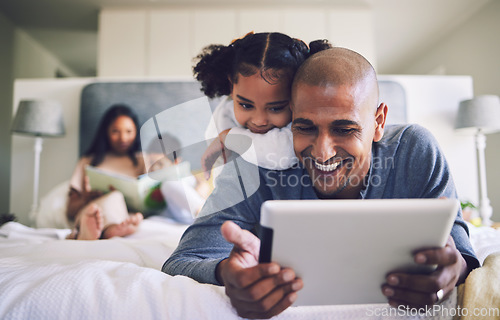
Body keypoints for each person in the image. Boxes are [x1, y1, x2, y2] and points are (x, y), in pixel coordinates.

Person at [163, 47, 480, 319]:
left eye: (344, 129)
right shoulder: (254, 165)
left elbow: (460, 251)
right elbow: (182, 261)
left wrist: (455, 270)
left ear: (379, 121)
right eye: (305, 127)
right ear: (291, 120)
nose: (322, 151)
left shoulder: (415, 150)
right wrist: (226, 274)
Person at [195, 32, 332, 177]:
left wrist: (227, 137)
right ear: (231, 87)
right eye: (246, 106)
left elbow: (281, 153)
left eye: (275, 108)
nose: (259, 121)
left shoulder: (306, 121)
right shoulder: (223, 114)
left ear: (298, 96)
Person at [66, 104, 144, 240]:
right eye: (115, 131)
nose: (123, 138)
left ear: (136, 132)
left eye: (129, 132)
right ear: (106, 132)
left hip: (126, 214)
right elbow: (70, 210)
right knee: (111, 199)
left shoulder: (143, 161)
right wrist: (86, 198)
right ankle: (101, 229)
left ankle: (99, 232)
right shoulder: (88, 161)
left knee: (118, 199)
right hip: (92, 209)